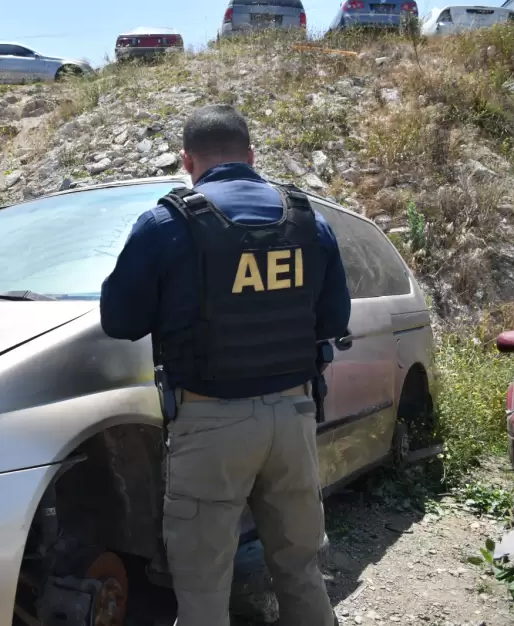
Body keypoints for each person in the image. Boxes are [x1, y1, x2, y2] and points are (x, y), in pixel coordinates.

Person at [99, 104, 351, 626]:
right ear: (252, 156)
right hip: (294, 418)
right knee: (301, 569)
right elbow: (334, 319)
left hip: (211, 423)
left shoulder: (165, 223)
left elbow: (119, 321)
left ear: (187, 161)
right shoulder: (307, 220)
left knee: (203, 587)